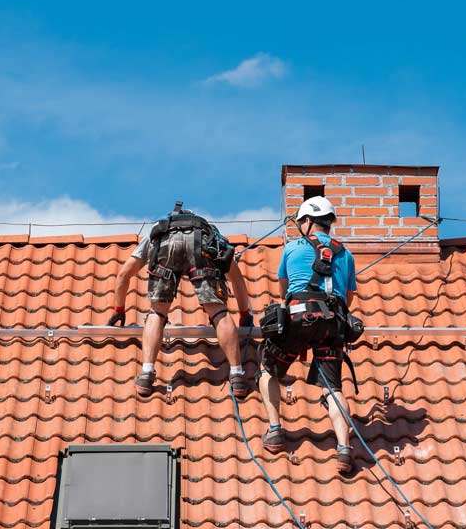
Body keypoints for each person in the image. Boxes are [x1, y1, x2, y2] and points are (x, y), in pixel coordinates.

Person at [257, 196, 360, 475]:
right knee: (334, 388)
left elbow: (283, 289)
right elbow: (348, 297)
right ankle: (343, 448)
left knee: (268, 369)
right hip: (333, 325)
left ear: (307, 222)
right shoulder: (346, 255)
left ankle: (276, 430)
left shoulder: (293, 248)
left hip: (298, 319)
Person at [107, 203, 253, 399]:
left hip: (167, 246)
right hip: (201, 246)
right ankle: (237, 376)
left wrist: (118, 308)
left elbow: (124, 274)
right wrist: (244, 314)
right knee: (219, 312)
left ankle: (146, 374)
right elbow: (237, 279)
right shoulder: (210, 234)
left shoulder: (157, 232)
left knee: (157, 312)